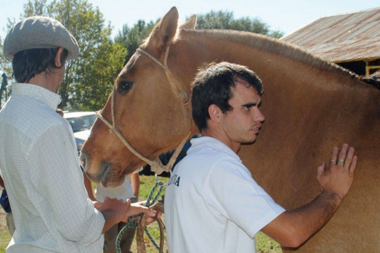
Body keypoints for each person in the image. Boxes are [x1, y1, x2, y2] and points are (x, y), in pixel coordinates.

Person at [0, 16, 156, 253]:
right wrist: (117, 212)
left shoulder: (6, 115)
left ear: (15, 59)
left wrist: (109, 207)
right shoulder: (50, 124)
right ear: (58, 55)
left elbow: (45, 205)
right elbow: (78, 229)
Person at [164, 62, 358, 253]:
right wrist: (333, 193)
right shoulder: (218, 166)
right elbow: (292, 234)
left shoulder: (186, 164)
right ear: (216, 113)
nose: (260, 116)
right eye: (247, 108)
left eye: (258, 106)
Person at [85, 169, 141, 253]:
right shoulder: (98, 155)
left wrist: (134, 197)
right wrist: (91, 197)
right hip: (105, 204)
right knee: (110, 244)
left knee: (126, 241)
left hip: (127, 202)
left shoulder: (130, 156)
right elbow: (86, 174)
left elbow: (135, 174)